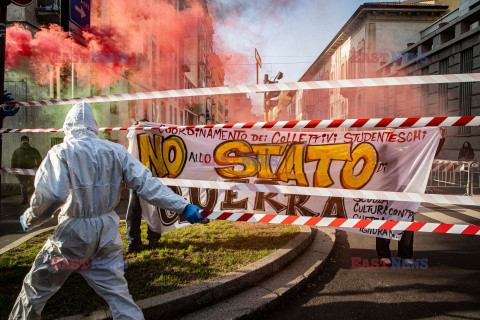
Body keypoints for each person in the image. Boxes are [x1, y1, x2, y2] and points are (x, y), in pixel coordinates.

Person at [10, 102, 207, 320]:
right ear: (94, 126)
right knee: (118, 295)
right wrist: (183, 206)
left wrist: (31, 218)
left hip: (72, 240)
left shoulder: (62, 151)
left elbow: (53, 195)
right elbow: (147, 184)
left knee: (36, 289)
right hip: (105, 236)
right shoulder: (115, 151)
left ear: (68, 126)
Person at [11, 135, 43, 204]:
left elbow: (39, 159)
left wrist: (37, 167)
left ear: (28, 141)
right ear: (21, 141)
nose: (24, 141)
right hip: (21, 172)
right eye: (23, 140)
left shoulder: (33, 150)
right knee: (23, 186)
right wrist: (15, 171)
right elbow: (13, 161)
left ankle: (34, 200)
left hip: (31, 171)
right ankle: (25, 200)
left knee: (33, 185)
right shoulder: (17, 151)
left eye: (25, 140)